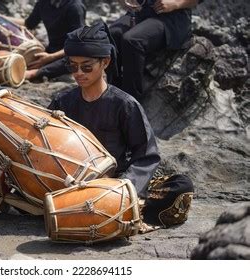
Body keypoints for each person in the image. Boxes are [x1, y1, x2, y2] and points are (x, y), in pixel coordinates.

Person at [48, 22, 194, 227]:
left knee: (181, 186)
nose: (79, 72)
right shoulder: (62, 102)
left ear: (105, 62)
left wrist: (122, 185)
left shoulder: (124, 104)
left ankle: (114, 206)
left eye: (86, 66)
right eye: (72, 66)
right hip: (70, 182)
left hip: (113, 183)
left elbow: (146, 155)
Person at [109, 0, 202, 101]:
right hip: (142, 10)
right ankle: (110, 94)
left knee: (132, 40)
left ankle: (130, 103)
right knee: (111, 35)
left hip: (172, 17)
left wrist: (175, 3)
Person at [10, 0, 86, 80]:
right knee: (29, 60)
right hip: (52, 50)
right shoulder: (43, 3)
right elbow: (29, 23)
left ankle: (35, 73)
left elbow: (78, 43)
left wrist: (51, 57)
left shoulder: (75, 7)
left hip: (71, 52)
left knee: (77, 58)